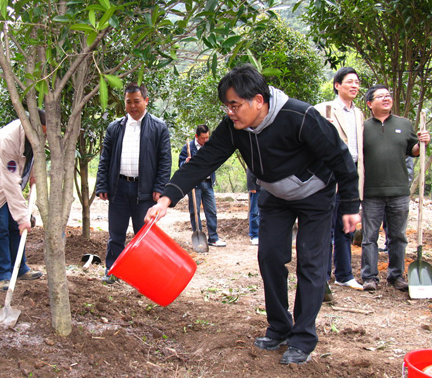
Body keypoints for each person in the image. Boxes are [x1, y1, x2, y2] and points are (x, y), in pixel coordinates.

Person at [145, 64, 360, 365]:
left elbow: (339, 156)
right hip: (275, 195)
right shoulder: (234, 129)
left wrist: (350, 203)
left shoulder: (300, 117)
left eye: (235, 105)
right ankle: (279, 327)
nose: (230, 112)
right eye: (227, 106)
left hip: (315, 196)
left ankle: (302, 338)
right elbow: (202, 162)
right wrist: (167, 198)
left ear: (258, 100)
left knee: (311, 263)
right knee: (269, 256)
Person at [95, 83, 172, 284]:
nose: (132, 106)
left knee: (144, 235)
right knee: (116, 233)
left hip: (145, 191)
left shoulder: (158, 127)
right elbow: (105, 159)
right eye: (128, 102)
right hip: (119, 189)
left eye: (136, 101)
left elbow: (165, 160)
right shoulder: (115, 127)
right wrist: (102, 184)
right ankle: (113, 270)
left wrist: (160, 188)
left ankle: (144, 274)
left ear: (146, 101)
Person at [361, 85, 430, 292]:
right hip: (371, 192)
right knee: (369, 237)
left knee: (398, 236)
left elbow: (414, 151)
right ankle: (370, 277)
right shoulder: (362, 127)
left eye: (388, 95)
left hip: (399, 191)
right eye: (380, 96)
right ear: (369, 104)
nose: (386, 99)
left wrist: (423, 142)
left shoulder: (404, 124)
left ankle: (396, 275)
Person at [0, 111, 45, 291]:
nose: (44, 137)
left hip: (12, 176)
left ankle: (20, 269)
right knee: (0, 228)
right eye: (43, 133)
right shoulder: (9, 140)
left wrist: (33, 173)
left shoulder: (36, 134)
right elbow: (9, 182)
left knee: (15, 228)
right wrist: (24, 218)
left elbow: (33, 156)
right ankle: (2, 275)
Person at [314, 67, 364, 291]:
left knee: (347, 225)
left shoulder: (359, 113)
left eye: (357, 82)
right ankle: (322, 276)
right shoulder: (324, 110)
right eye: (349, 82)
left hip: (351, 174)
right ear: (337, 85)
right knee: (326, 226)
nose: (354, 86)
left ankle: (344, 274)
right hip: (332, 173)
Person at [179, 124, 226, 248]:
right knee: (195, 212)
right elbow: (181, 165)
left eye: (207, 138)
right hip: (195, 185)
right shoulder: (188, 148)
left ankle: (213, 238)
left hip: (208, 183)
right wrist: (186, 162)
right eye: (203, 138)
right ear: (196, 136)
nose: (205, 140)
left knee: (211, 211)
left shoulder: (210, 146)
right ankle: (198, 236)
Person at [247, 168, 261, 245]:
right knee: (255, 212)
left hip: (267, 188)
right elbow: (250, 171)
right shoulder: (254, 157)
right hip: (256, 188)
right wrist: (252, 187)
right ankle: (254, 235)